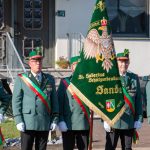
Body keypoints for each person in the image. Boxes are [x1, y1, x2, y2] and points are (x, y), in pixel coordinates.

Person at [12, 48, 59, 150]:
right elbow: (16, 101)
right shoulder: (22, 79)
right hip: (27, 122)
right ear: (29, 63)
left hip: (44, 121)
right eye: (34, 61)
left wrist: (55, 119)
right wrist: (18, 120)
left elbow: (54, 101)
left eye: (39, 61)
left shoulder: (49, 79)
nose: (38, 63)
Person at [104, 49, 143, 150]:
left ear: (129, 63)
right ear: (116, 62)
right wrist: (105, 119)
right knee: (110, 147)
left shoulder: (134, 78)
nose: (123, 64)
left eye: (126, 62)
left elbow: (138, 100)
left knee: (127, 148)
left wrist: (138, 119)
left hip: (129, 122)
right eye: (121, 61)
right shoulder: (111, 77)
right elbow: (107, 99)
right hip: (114, 120)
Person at [57, 56, 90, 150]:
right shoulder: (64, 83)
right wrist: (61, 120)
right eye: (76, 65)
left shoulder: (88, 82)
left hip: (83, 122)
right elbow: (59, 103)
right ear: (72, 67)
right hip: (68, 122)